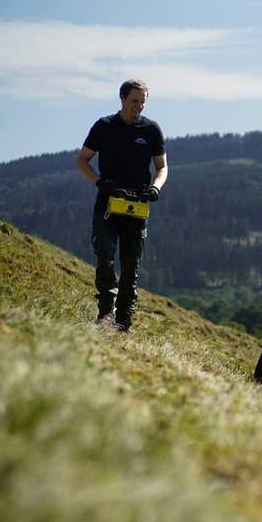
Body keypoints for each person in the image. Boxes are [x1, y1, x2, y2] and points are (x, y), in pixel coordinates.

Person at [77, 79, 168, 332]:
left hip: (138, 203)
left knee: (131, 263)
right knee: (105, 255)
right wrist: (99, 181)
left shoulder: (151, 130)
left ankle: (124, 320)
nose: (138, 106)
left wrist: (155, 187)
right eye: (133, 101)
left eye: (142, 102)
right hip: (108, 201)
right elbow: (83, 160)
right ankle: (106, 311)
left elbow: (162, 166)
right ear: (122, 99)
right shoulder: (104, 126)